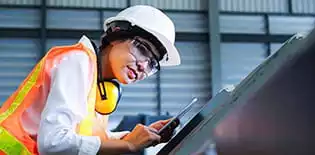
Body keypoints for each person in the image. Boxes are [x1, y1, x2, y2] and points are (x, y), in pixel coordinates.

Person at [0, 5, 181, 155]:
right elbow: (52, 143)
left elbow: (87, 138)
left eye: (151, 64)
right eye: (142, 49)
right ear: (116, 35)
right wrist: (128, 145)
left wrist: (136, 137)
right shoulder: (78, 60)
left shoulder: (101, 85)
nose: (143, 66)